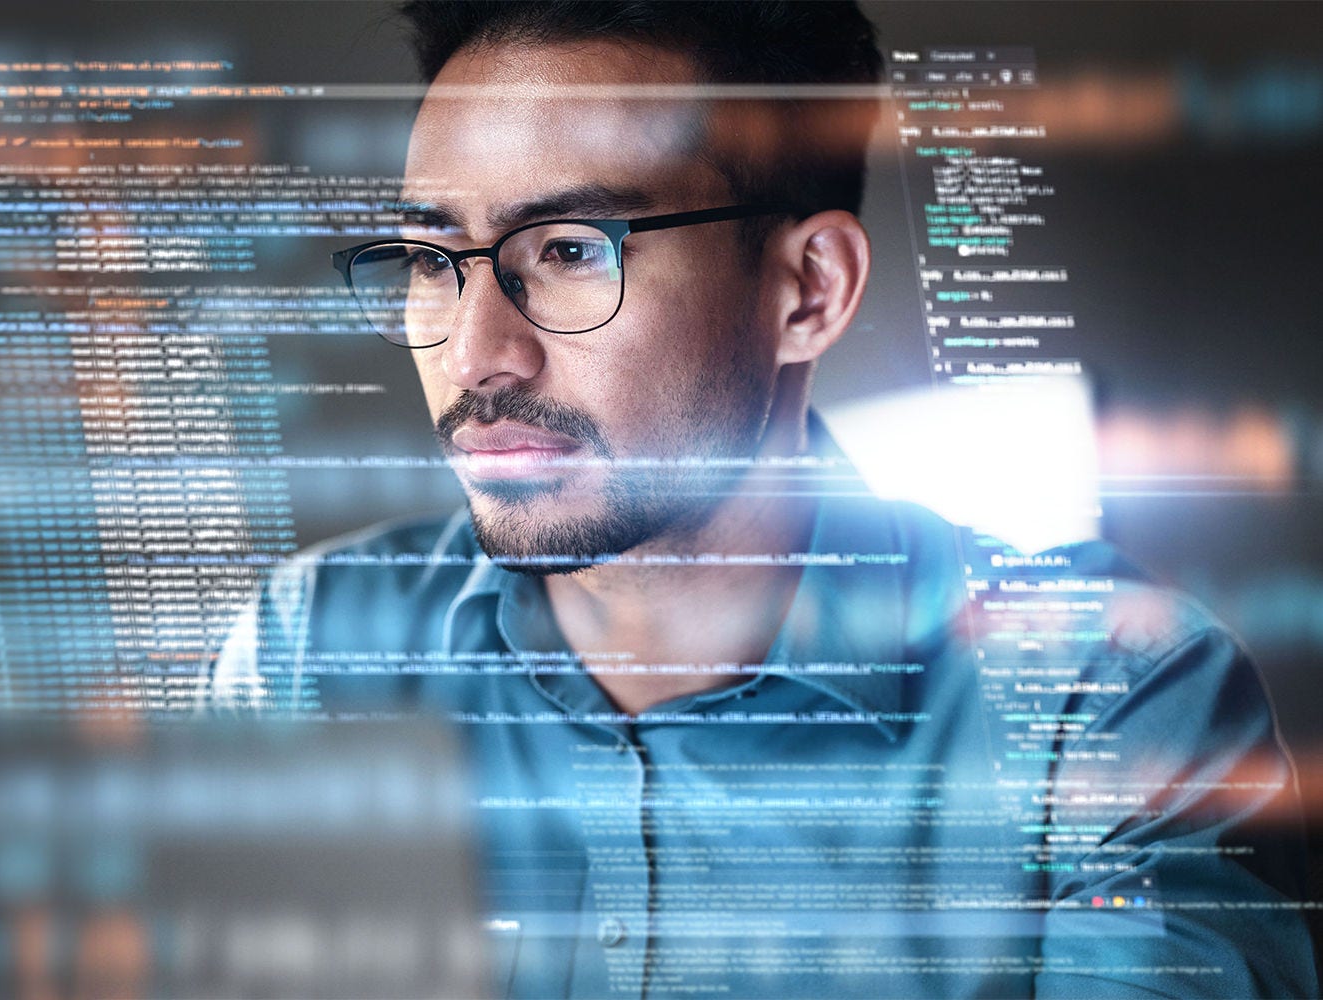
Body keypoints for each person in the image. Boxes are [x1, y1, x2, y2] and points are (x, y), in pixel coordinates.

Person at [210, 2, 1317, 995]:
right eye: (429, 256)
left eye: (568, 249)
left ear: (810, 290)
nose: (476, 351)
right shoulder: (309, 654)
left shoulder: (1105, 699)